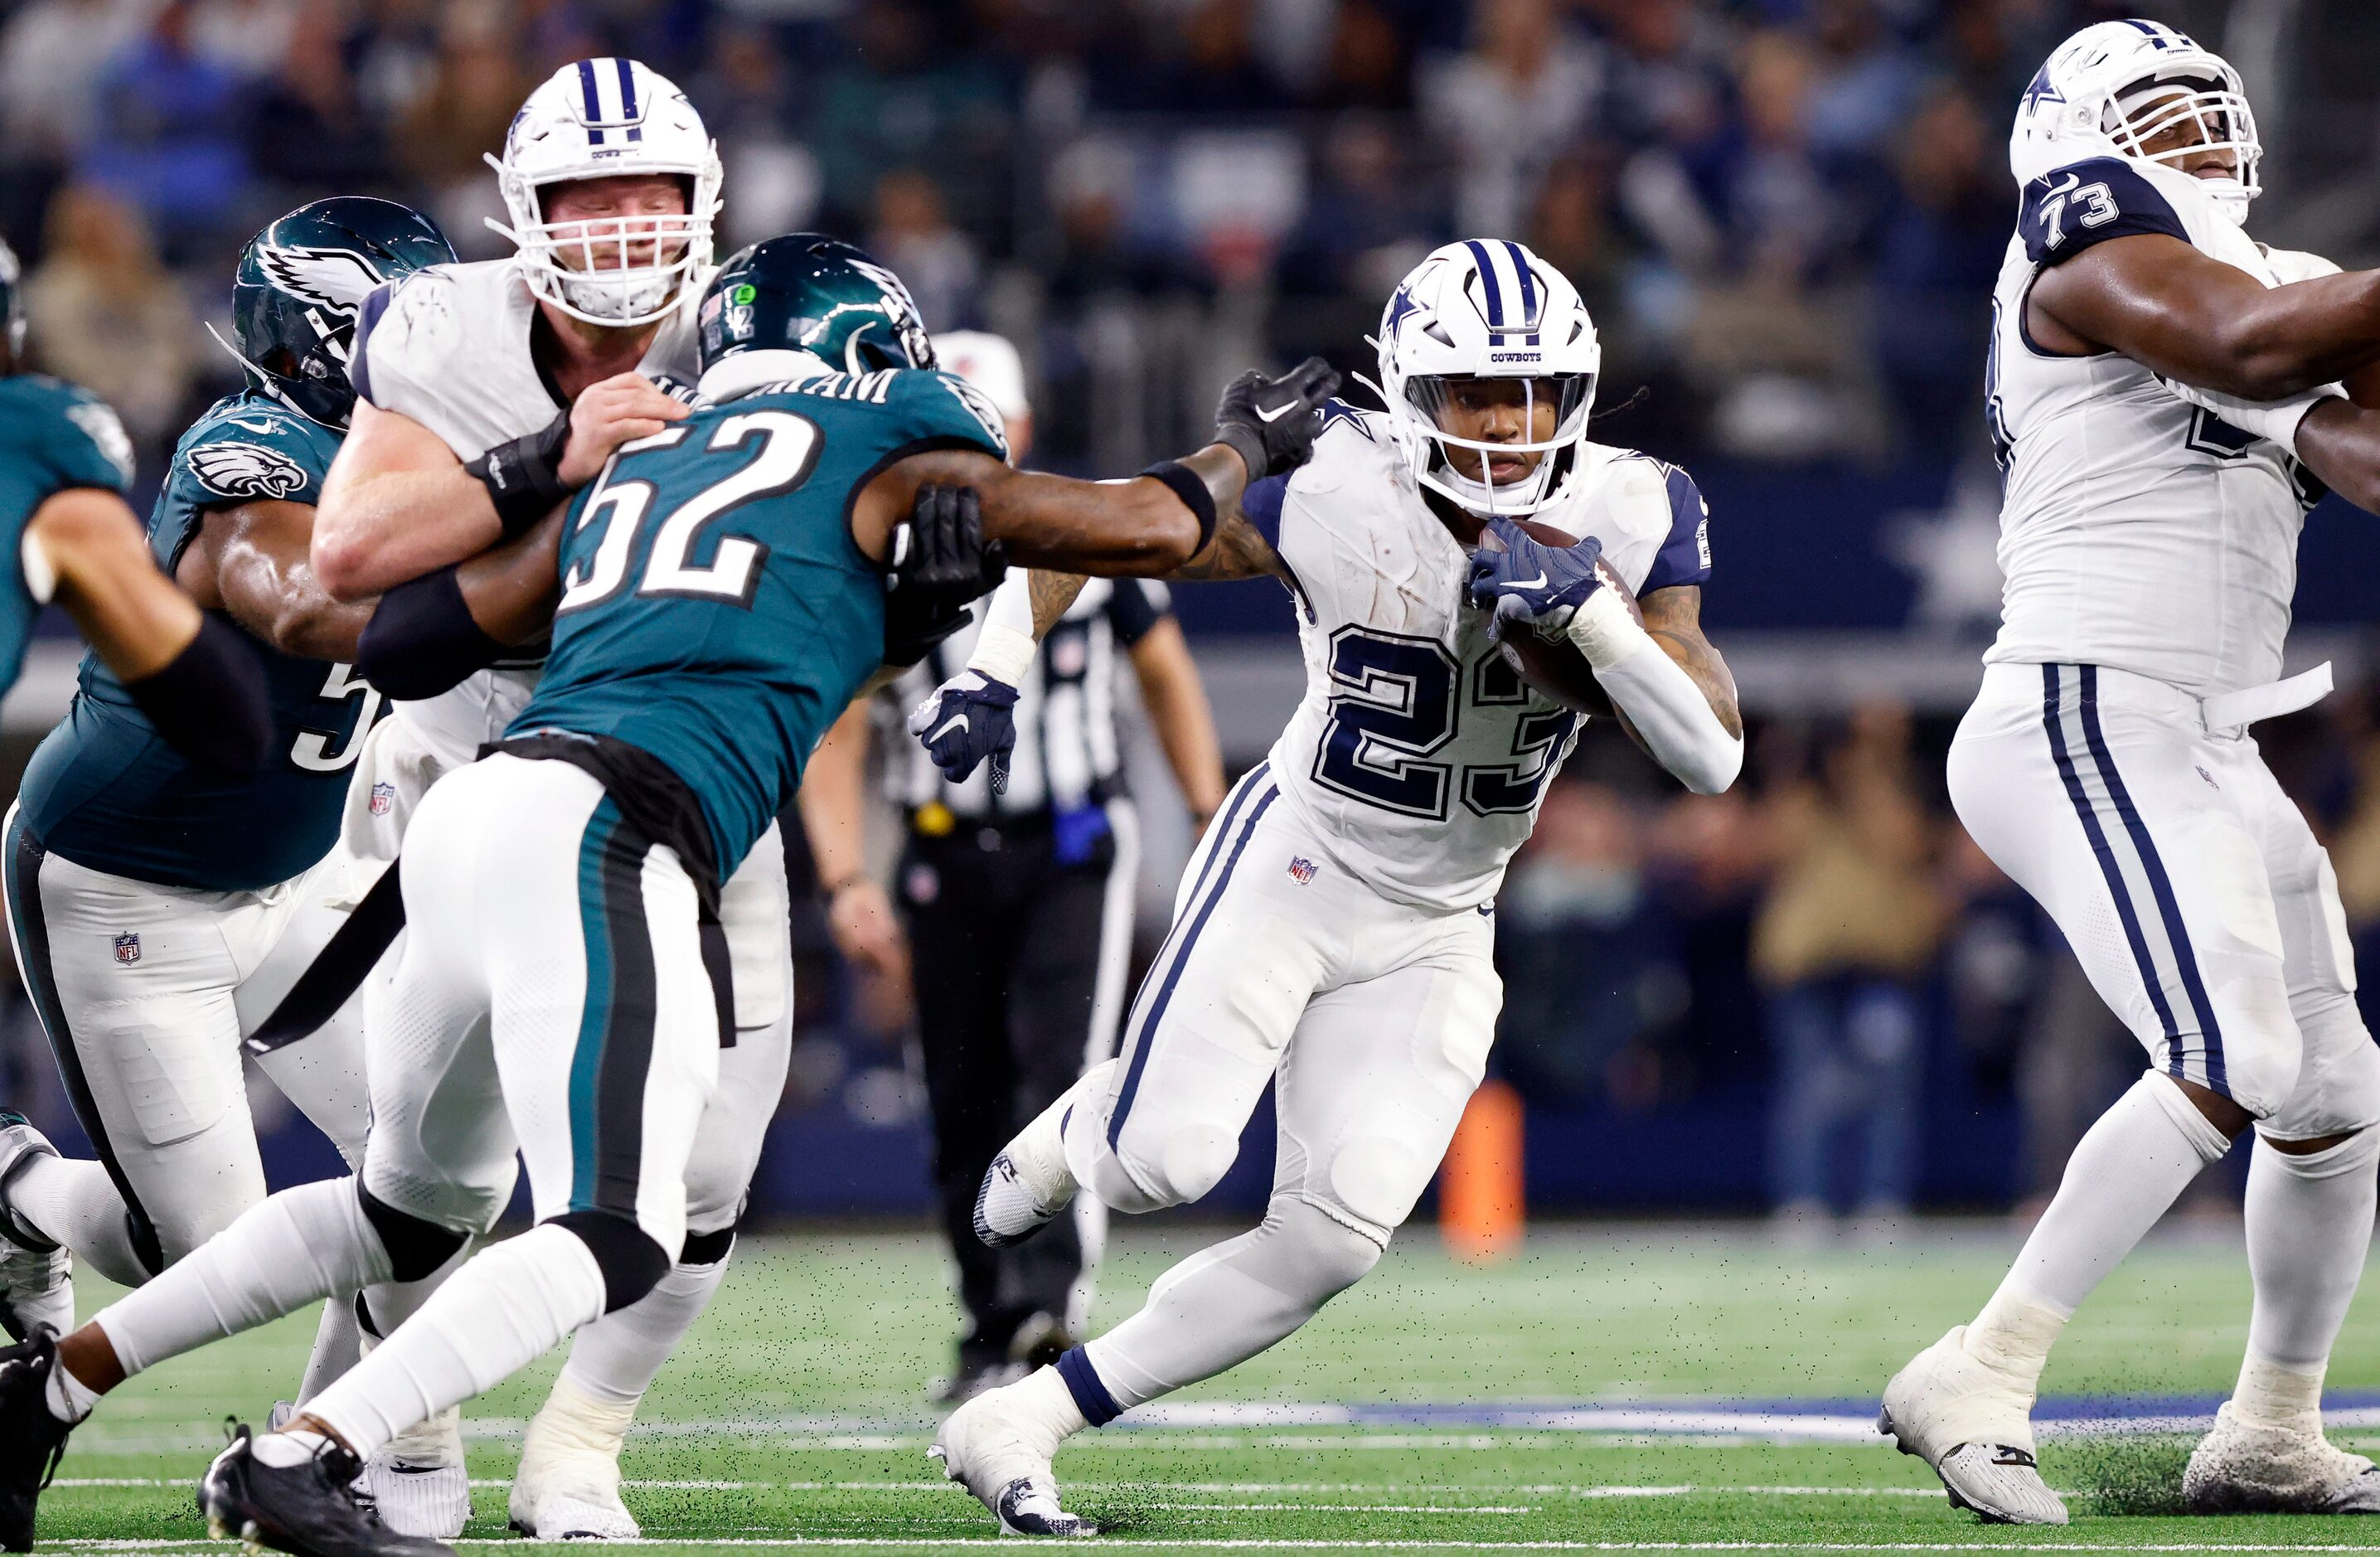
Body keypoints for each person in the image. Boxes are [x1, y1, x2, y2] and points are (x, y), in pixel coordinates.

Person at [0, 232, 1336, 1557]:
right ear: (875, 364)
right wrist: (1250, 443)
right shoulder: (891, 435)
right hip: (611, 829)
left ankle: (52, 1382)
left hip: (468, 813)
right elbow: (1156, 523)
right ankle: (305, 1448)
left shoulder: (647, 449)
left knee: (400, 1208)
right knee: (616, 1227)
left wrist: (886, 616)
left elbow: (415, 635)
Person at [926, 239, 1743, 1535]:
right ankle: (1078, 1134)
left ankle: (1026, 1415)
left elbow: (1708, 749)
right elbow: (1099, 532)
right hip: (1301, 856)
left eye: (1532, 393)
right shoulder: (1340, 479)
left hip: (1446, 914)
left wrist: (1589, 613)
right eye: (1477, 392)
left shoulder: (1637, 507)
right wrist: (992, 668)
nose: (1508, 422)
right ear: (1413, 391)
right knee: (1163, 1162)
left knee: (1334, 1237)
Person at [0, 196, 568, 1539]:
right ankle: (17, 1185)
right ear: (338, 341)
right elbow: (314, 604)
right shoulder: (251, 449)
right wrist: (531, 521)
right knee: (194, 1250)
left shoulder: (444, 449)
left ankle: (321, 1457)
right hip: (129, 884)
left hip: (304, 877)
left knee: (435, 1183)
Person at [1878, 19, 2380, 1524]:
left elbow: (2357, 446)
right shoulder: (2080, 245)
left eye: (2215, 113)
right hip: (2081, 708)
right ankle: (1981, 1365)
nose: (2208, 143)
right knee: (2237, 1049)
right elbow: (2243, 346)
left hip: (2203, 731)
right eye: (2166, 116)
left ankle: (2273, 1423)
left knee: (2338, 1094)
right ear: (2079, 138)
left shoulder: (2269, 292)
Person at [801, 329, 1225, 1403]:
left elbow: (1166, 673)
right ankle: (990, 1317)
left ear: (1025, 430)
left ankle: (1049, 1312)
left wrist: (1210, 809)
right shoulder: (883, 544)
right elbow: (841, 725)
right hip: (943, 852)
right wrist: (847, 876)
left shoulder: (1082, 529)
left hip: (1071, 845)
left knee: (1057, 1074)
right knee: (959, 1095)